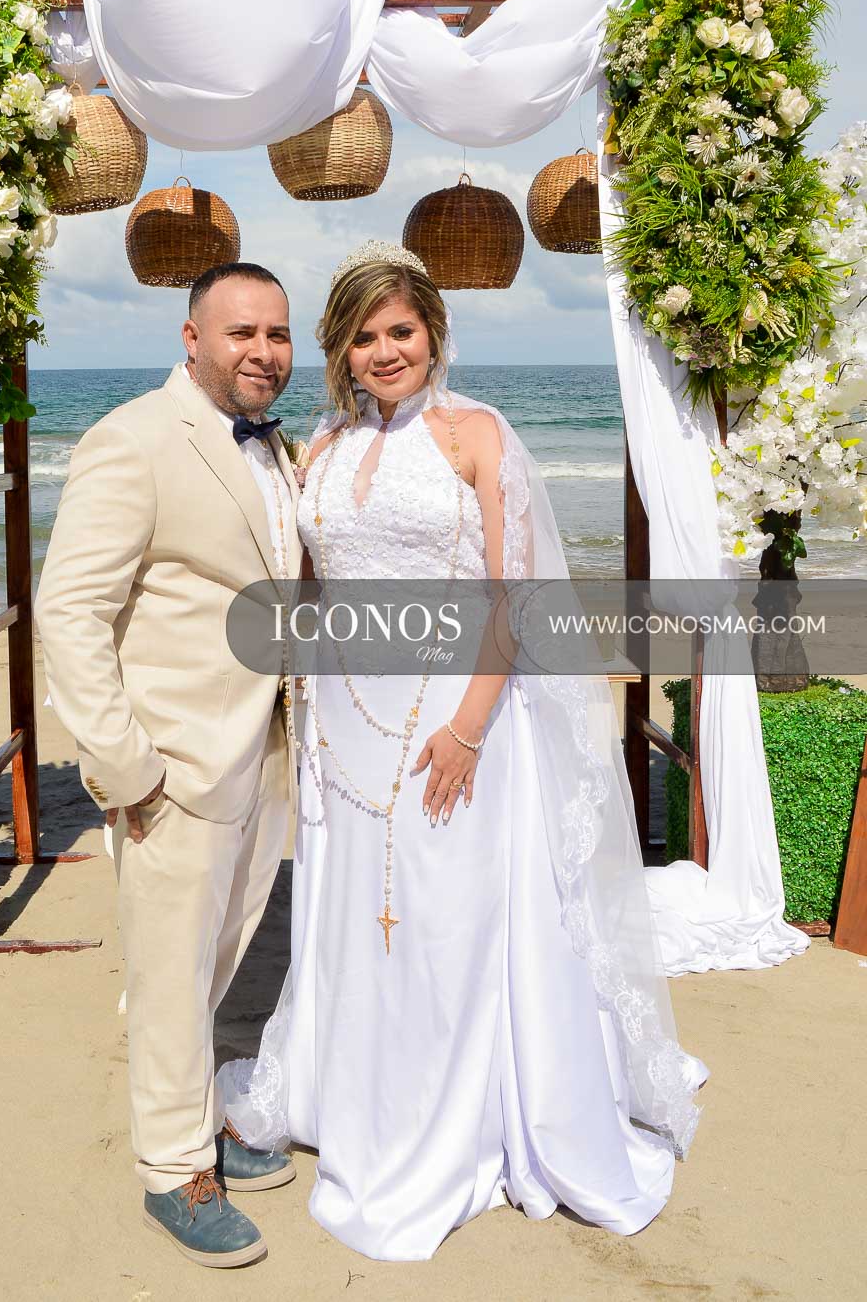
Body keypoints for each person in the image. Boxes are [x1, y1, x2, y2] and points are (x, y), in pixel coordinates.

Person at [220, 241, 708, 1262]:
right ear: (342, 352)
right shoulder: (323, 446)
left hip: (454, 721)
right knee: (357, 913)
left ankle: (456, 1115)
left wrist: (469, 728)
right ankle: (353, 1091)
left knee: (444, 916)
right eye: (364, 336)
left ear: (433, 333)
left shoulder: (477, 434)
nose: (384, 351)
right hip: (346, 729)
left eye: (400, 330)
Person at [35, 263, 303, 1269]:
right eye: (241, 332)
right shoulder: (133, 438)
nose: (262, 352)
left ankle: (198, 1124)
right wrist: (127, 767)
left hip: (261, 750)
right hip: (174, 769)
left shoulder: (274, 444)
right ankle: (173, 1170)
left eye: (277, 334)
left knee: (215, 959)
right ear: (192, 339)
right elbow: (71, 611)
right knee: (168, 974)